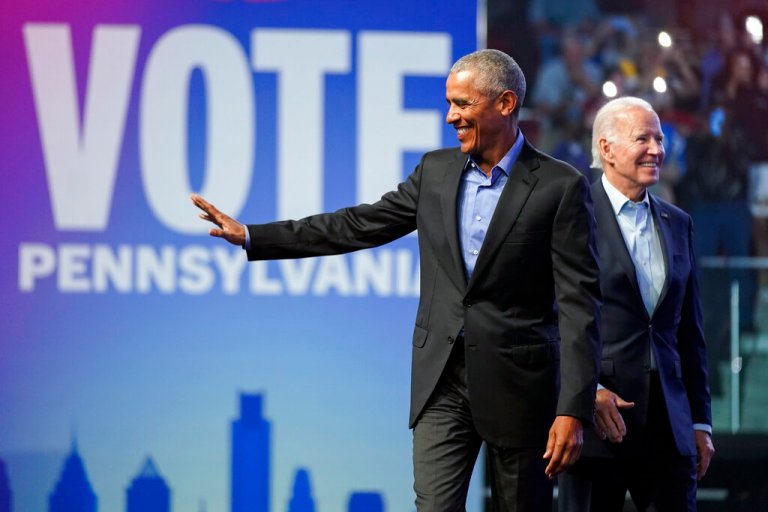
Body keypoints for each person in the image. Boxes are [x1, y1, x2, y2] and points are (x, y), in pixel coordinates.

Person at [191, 49, 602, 511]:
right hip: (441, 383)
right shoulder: (436, 172)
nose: (451, 117)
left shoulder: (559, 186)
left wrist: (573, 408)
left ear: (505, 104)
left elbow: (579, 306)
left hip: (520, 388)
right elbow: (356, 225)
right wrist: (253, 236)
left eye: (463, 104)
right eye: (450, 104)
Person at [557, 96, 715, 512]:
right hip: (596, 428)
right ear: (606, 149)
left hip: (670, 430)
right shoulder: (571, 216)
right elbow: (547, 322)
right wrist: (584, 391)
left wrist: (700, 421)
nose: (657, 149)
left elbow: (689, 334)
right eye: (642, 138)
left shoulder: (679, 223)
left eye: (660, 138)